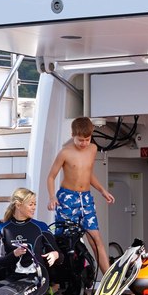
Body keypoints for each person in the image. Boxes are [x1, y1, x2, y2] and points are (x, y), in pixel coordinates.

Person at [46, 117, 116, 274]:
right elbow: (51, 177)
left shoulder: (93, 149)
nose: (84, 143)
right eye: (80, 140)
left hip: (86, 198)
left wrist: (102, 190)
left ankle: (109, 279)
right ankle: (59, 281)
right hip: (67, 199)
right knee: (64, 240)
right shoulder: (65, 152)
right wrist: (52, 197)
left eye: (87, 139)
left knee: (96, 239)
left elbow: (88, 173)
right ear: (72, 135)